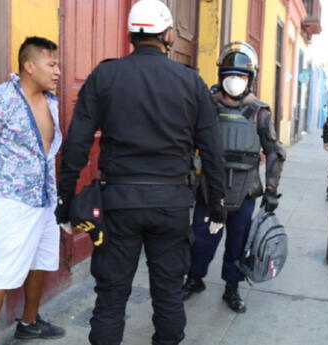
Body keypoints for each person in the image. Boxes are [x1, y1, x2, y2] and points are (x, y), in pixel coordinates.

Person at [54, 1, 226, 344]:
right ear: (169, 35)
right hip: (171, 204)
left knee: (111, 296)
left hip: (119, 203)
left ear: (131, 34)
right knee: (168, 294)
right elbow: (212, 150)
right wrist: (218, 204)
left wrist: (65, 199)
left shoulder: (104, 75)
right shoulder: (191, 82)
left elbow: (77, 144)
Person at [0, 36, 65, 345]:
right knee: (4, 273)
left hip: (46, 199)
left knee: (41, 261)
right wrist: (6, 183)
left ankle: (29, 322)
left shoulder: (51, 102)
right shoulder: (1, 100)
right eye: (52, 64)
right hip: (14, 203)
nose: (58, 71)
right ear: (29, 65)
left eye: (58, 64)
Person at [182, 41, 285, 313]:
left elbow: (275, 151)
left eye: (240, 76)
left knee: (237, 244)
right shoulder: (205, 106)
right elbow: (187, 143)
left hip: (246, 190)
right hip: (209, 190)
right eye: (230, 75)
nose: (235, 81)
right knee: (200, 240)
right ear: (220, 77)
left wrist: (272, 189)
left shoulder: (259, 111)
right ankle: (194, 279)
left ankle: (232, 287)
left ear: (250, 79)